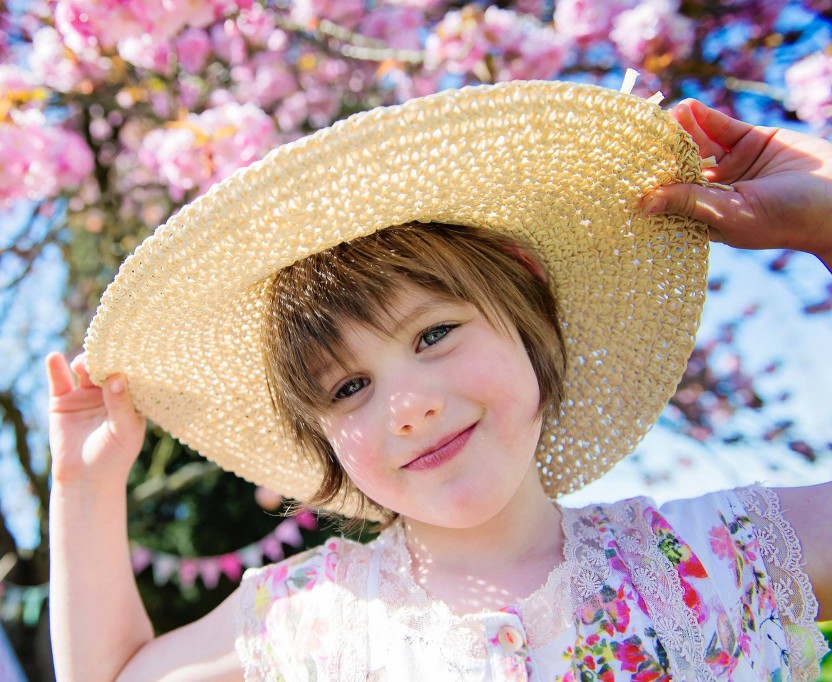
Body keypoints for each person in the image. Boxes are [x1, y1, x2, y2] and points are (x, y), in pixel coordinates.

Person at [46, 80, 832, 681]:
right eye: (347, 388)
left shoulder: (717, 555)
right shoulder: (303, 614)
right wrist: (85, 491)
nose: (410, 403)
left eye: (434, 334)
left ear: (533, 323)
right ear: (318, 434)